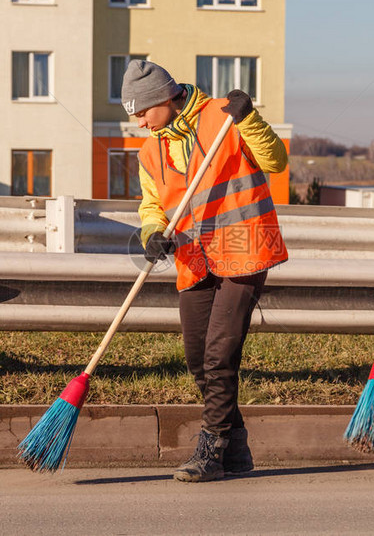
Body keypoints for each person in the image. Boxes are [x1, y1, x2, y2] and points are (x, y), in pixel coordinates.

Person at [120, 60, 288, 482]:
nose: (139, 122)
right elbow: (152, 204)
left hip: (244, 249)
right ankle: (237, 450)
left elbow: (276, 161)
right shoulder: (149, 151)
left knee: (219, 354)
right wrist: (153, 232)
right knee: (198, 357)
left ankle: (211, 449)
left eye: (141, 112)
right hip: (194, 258)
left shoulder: (224, 116)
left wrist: (248, 118)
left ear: (163, 98)